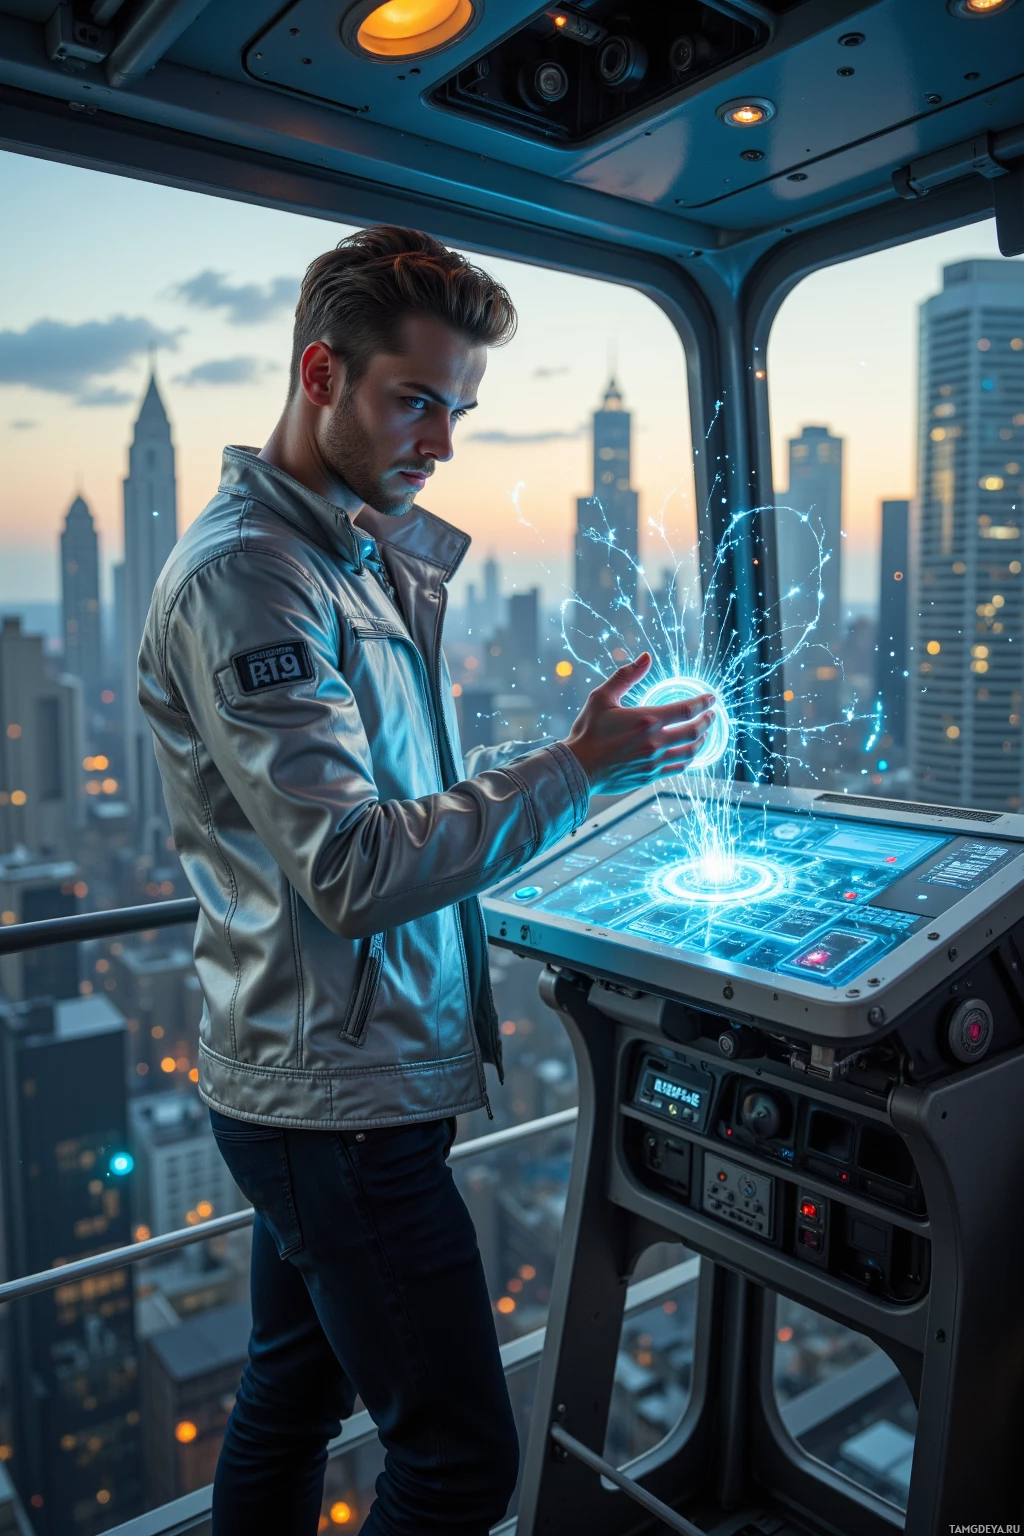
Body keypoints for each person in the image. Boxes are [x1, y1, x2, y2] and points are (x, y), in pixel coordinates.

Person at [139, 225, 714, 1536]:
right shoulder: (255, 579)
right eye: (417, 401)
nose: (442, 441)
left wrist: (569, 757)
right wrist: (574, 769)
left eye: (458, 411)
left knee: (290, 1392)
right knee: (458, 1462)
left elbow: (377, 801)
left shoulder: (346, 556)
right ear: (322, 371)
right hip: (334, 1106)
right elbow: (349, 862)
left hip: (329, 1075)